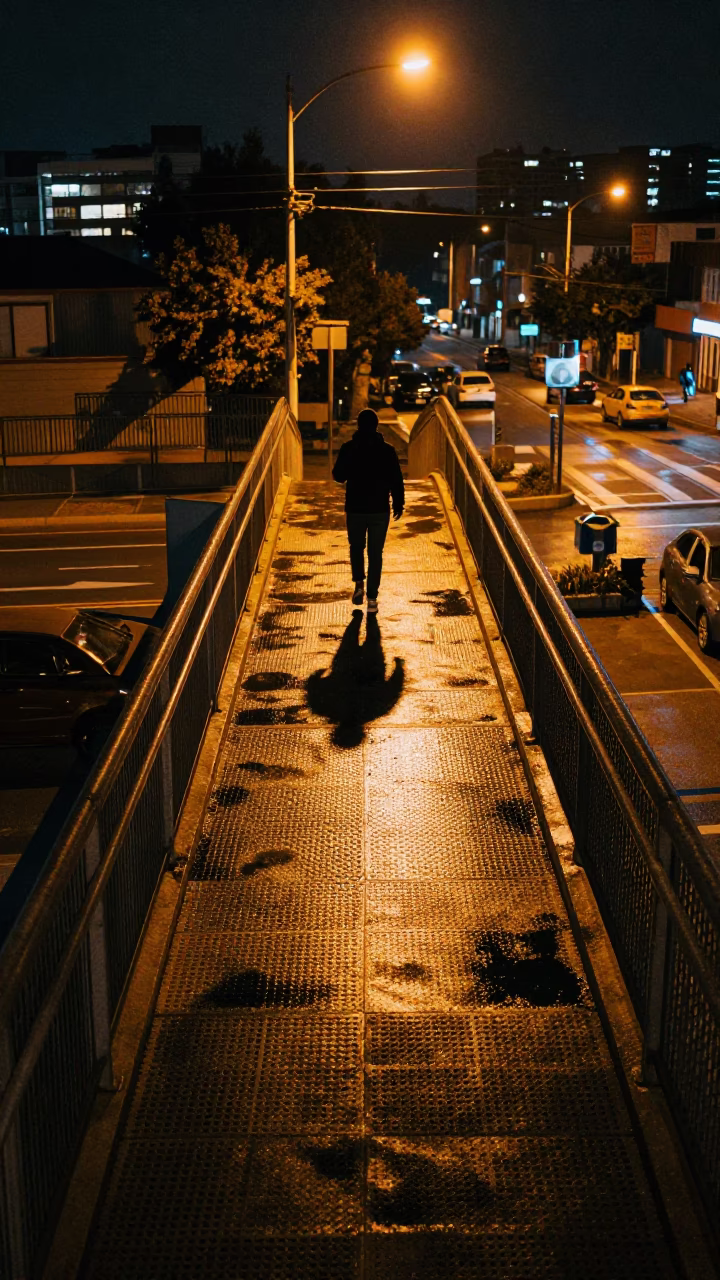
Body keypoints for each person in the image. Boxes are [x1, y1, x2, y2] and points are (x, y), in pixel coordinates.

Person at [332, 407, 404, 613]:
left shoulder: (349, 448)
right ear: (376, 426)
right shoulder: (387, 451)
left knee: (356, 547)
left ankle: (359, 585)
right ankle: (372, 597)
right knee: (375, 553)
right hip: (379, 509)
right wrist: (398, 503)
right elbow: (396, 480)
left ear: (358, 425)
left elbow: (338, 475)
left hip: (355, 508)